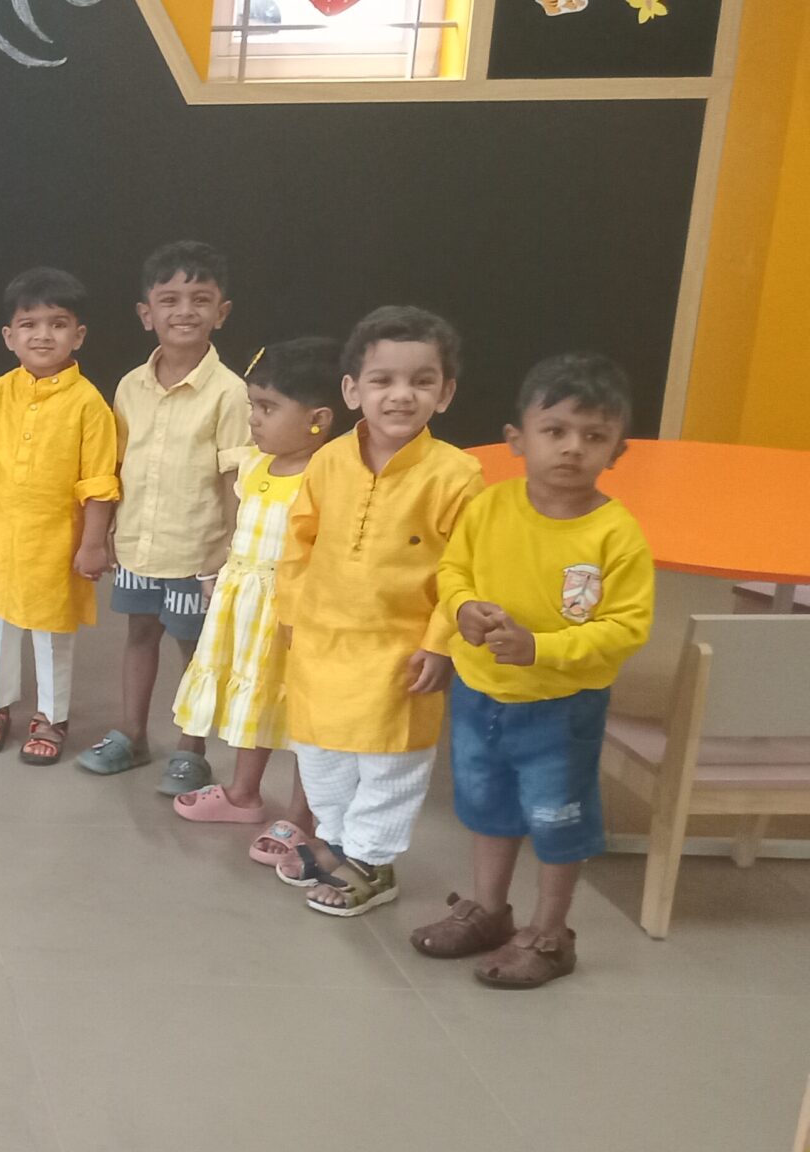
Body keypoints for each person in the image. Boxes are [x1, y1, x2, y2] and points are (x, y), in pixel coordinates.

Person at [412, 353, 652, 987]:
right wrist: (462, 609)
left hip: (561, 709)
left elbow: (626, 628)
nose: (573, 447)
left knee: (556, 819)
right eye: (555, 430)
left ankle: (550, 935)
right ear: (517, 439)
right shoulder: (489, 508)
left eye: (594, 436)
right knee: (488, 807)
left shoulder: (616, 535)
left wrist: (540, 648)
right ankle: (489, 913)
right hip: (480, 695)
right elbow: (453, 571)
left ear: (617, 451)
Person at [279, 306, 484, 917]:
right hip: (321, 642)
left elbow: (468, 569)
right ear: (352, 390)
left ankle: (372, 862)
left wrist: (441, 643)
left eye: (421, 381)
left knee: (389, 762)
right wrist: (290, 614)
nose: (401, 395)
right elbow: (298, 543)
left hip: (402, 650)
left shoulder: (457, 475)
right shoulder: (328, 461)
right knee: (321, 752)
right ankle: (338, 841)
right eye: (382, 380)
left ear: (445, 394)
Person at [78, 242, 252, 793]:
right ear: (145, 313)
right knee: (139, 635)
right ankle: (132, 735)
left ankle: (191, 750)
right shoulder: (130, 386)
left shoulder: (230, 393)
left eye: (200, 299)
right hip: (139, 545)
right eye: (169, 299)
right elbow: (115, 464)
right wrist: (106, 530)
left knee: (195, 651)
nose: (185, 311)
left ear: (221, 312)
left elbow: (235, 478)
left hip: (197, 552)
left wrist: (228, 550)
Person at [166, 338, 332, 873]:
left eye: (268, 407)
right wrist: (219, 573)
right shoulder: (257, 464)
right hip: (244, 605)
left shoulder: (327, 476)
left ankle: (303, 816)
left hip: (291, 613)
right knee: (252, 698)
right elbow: (242, 530)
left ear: (318, 419)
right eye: (252, 406)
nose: (254, 419)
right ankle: (243, 793)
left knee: (299, 710)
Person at [0, 269, 120, 765]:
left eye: (58, 323)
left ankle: (52, 716)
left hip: (55, 544)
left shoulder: (89, 404)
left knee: (52, 634)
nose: (43, 335)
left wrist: (92, 543)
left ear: (79, 335)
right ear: (9, 337)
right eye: (29, 324)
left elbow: (99, 482)